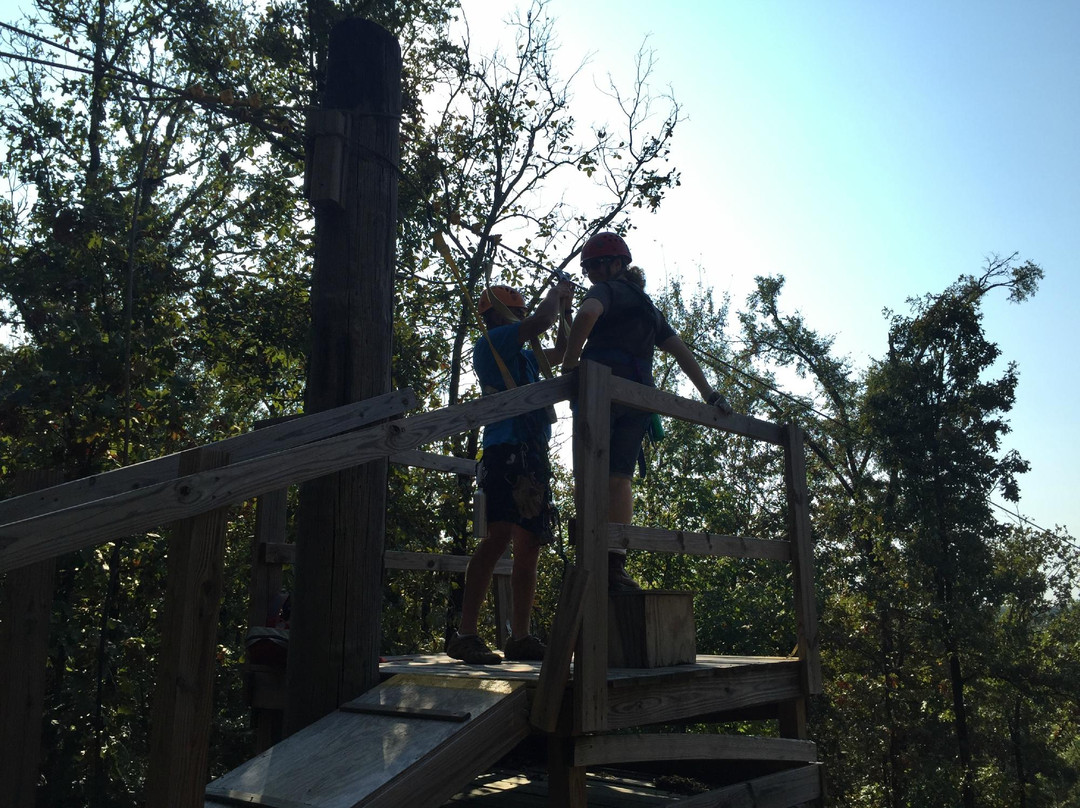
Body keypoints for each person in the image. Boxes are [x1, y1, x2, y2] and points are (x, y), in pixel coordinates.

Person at [560, 231, 733, 591]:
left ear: (616, 265)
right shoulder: (649, 308)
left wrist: (570, 361)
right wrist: (709, 392)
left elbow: (588, 313)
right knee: (620, 478)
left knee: (588, 476)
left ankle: (589, 556)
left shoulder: (605, 291)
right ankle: (614, 564)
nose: (592, 274)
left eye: (595, 266)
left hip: (599, 393)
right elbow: (680, 351)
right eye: (588, 268)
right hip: (639, 399)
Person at [445, 280, 574, 664]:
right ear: (498, 316)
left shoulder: (526, 358)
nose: (521, 317)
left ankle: (520, 636)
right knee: (498, 537)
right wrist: (556, 294)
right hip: (504, 450)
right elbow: (540, 321)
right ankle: (466, 633)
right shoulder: (492, 343)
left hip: (532, 452)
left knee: (529, 544)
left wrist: (566, 311)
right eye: (516, 312)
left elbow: (563, 349)